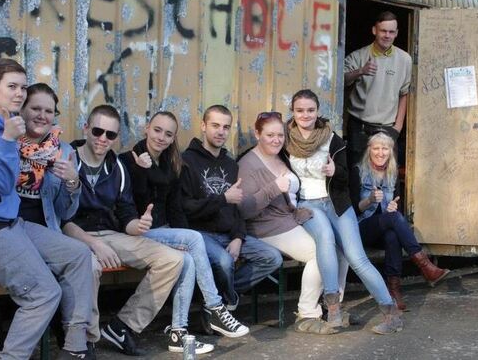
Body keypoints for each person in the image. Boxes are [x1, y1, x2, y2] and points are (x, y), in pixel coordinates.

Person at [0, 59, 93, 359]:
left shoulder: (23, 132)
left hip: (6, 221)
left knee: (78, 255)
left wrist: (71, 181)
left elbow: (63, 208)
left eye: (22, 87)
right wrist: (9, 140)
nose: (19, 93)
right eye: (11, 87)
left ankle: (75, 349)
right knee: (43, 294)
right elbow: (0, 184)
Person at [119, 111, 249, 353]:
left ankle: (178, 332)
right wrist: (140, 172)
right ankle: (215, 307)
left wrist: (184, 236)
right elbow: (128, 204)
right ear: (147, 128)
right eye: (157, 130)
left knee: (188, 259)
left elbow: (175, 208)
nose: (161, 137)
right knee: (194, 239)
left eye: (168, 134)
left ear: (173, 138)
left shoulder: (171, 163)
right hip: (135, 232)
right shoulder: (129, 159)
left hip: (164, 231)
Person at [62, 105, 185, 356]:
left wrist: (138, 226)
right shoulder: (67, 159)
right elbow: (60, 218)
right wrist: (94, 244)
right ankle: (86, 341)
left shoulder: (117, 167)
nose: (103, 139)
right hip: (72, 234)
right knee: (91, 267)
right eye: (98, 131)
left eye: (111, 135)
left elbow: (125, 214)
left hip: (110, 234)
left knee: (172, 259)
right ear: (86, 128)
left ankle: (123, 325)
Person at [285, 89, 403, 334]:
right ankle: (333, 310)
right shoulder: (285, 140)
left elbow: (347, 177)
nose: (305, 115)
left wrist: (334, 172)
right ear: (293, 112)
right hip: (308, 205)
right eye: (300, 110)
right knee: (325, 240)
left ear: (317, 111)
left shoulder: (331, 138)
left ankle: (391, 315)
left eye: (310, 110)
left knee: (357, 258)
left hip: (336, 202)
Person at [237, 111, 336, 335]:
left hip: (288, 220)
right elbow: (245, 210)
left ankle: (331, 305)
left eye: (280, 135)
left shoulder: (280, 155)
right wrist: (274, 188)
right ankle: (307, 315)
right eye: (269, 135)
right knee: (318, 253)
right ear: (257, 134)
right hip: (265, 227)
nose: (276, 140)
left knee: (332, 244)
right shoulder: (248, 164)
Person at [179, 105, 282, 317]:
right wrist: (222, 198)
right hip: (200, 234)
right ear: (203, 126)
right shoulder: (187, 161)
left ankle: (220, 300)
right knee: (225, 262)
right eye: (215, 125)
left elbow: (237, 208)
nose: (221, 131)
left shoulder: (229, 163)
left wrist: (237, 236)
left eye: (226, 127)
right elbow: (185, 208)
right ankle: (219, 304)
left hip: (228, 234)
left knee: (272, 257)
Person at [351, 132, 449, 310]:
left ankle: (394, 290)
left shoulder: (393, 173)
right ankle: (425, 265)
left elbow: (397, 205)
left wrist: (392, 208)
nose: (381, 153)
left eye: (385, 148)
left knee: (392, 236)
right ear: (369, 150)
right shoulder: (358, 171)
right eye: (376, 148)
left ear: (391, 151)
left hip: (384, 228)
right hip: (361, 228)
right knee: (395, 221)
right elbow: (351, 210)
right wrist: (369, 201)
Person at [344, 11, 412, 168]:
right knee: (356, 173)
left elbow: (405, 93)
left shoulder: (405, 59)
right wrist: (360, 71)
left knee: (385, 176)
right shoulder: (359, 55)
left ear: (396, 33)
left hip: (387, 127)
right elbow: (340, 81)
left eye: (391, 32)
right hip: (358, 126)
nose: (387, 35)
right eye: (383, 31)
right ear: (374, 30)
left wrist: (398, 127)